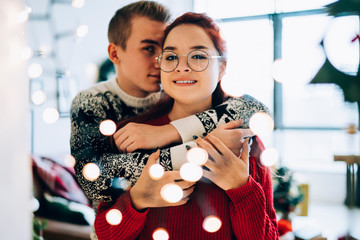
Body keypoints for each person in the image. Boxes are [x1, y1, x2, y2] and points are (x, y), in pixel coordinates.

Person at [94, 12, 279, 240]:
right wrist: (137, 200)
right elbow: (104, 234)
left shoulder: (245, 139)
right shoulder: (130, 137)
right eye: (171, 57)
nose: (182, 67)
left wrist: (241, 187)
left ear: (222, 68)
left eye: (198, 56)